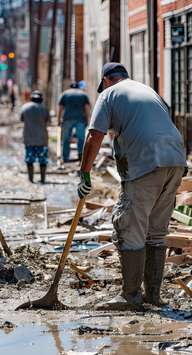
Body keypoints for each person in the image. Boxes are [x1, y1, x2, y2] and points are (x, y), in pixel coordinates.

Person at [76, 62, 187, 310]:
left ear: (106, 81)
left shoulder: (108, 94)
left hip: (147, 161)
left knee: (129, 227)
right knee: (156, 231)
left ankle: (131, 296)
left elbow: (94, 135)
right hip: (176, 160)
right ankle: (153, 297)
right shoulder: (147, 91)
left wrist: (84, 174)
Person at [20, 90, 51, 184]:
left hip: (29, 138)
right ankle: (42, 180)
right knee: (43, 160)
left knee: (29, 160)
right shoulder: (45, 108)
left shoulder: (25, 107)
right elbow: (48, 123)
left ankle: (31, 180)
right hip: (42, 138)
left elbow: (22, 120)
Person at [57, 81, 91, 163]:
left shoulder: (64, 94)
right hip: (80, 119)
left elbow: (60, 108)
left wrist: (59, 120)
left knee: (66, 138)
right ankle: (80, 155)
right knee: (81, 138)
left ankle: (65, 157)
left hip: (67, 119)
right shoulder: (83, 94)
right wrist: (88, 120)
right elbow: (87, 108)